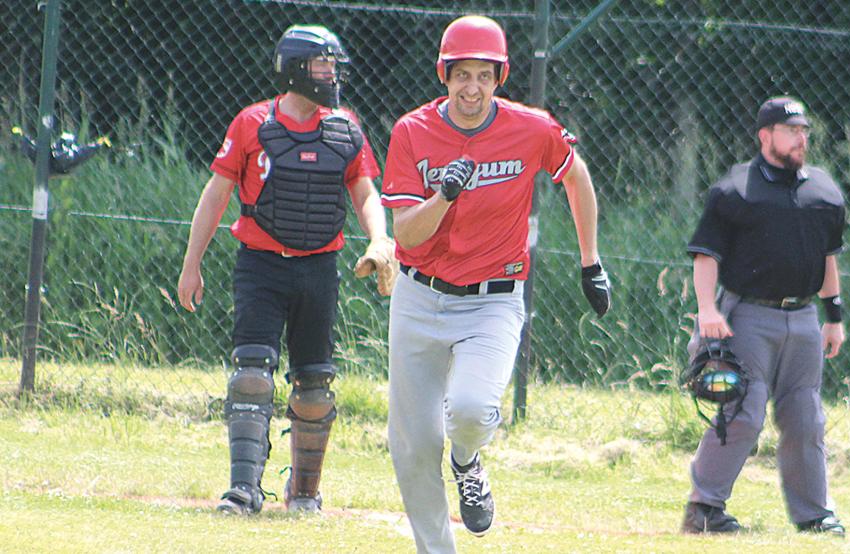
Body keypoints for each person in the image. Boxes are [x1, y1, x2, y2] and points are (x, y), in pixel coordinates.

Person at [380, 15, 612, 553]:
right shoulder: (412, 132)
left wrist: (590, 261)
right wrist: (443, 196)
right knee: (412, 446)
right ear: (445, 75)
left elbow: (575, 176)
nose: (472, 88)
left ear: (500, 77)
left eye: (484, 75)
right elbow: (406, 234)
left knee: (469, 410)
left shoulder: (531, 127)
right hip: (418, 297)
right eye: (462, 74)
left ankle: (467, 460)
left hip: (493, 300)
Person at [176, 24, 396, 515]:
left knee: (314, 383)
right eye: (324, 64)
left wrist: (380, 238)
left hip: (319, 269)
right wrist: (192, 265)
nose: (332, 74)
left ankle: (305, 493)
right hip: (261, 266)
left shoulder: (345, 125)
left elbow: (363, 189)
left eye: (334, 65)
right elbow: (216, 195)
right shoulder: (253, 123)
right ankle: (243, 489)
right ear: (297, 68)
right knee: (252, 374)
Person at [682, 96, 847, 536]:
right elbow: (706, 256)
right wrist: (707, 310)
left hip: (804, 319)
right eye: (791, 130)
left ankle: (814, 514)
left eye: (804, 131)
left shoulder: (824, 192)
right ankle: (704, 508)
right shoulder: (736, 190)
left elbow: (828, 258)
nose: (801, 138)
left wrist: (834, 317)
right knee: (743, 413)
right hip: (748, 317)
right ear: (765, 135)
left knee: (806, 419)